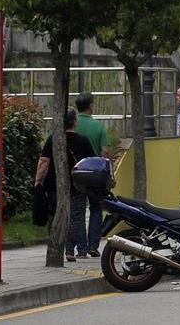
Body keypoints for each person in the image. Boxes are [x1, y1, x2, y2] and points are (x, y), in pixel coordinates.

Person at [34, 108, 95, 262]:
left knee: (57, 215)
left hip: (54, 184)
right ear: (75, 122)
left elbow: (43, 162)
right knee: (77, 216)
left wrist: (37, 181)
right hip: (78, 184)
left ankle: (62, 247)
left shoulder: (53, 139)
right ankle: (76, 249)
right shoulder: (83, 141)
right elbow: (91, 163)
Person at [73, 93, 110, 258]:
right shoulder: (98, 126)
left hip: (76, 175)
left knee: (79, 212)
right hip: (95, 176)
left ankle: (80, 247)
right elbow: (106, 152)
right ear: (90, 106)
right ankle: (93, 245)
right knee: (96, 209)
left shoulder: (73, 125)